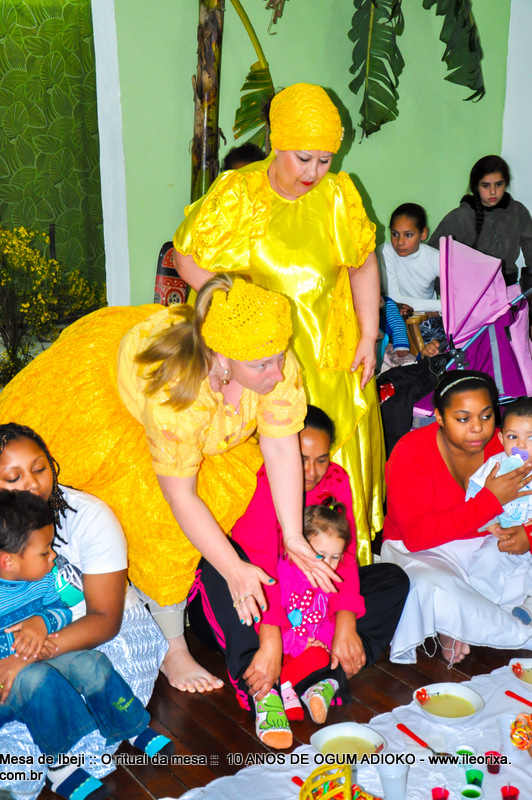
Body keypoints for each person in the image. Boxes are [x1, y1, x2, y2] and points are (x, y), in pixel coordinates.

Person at [0, 275, 330, 694]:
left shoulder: (270, 356)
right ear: (222, 356)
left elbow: (281, 449)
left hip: (201, 417)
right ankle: (172, 646)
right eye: (262, 365)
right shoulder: (179, 394)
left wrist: (295, 536)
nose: (277, 372)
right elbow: (180, 495)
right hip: (126, 404)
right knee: (160, 523)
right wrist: (233, 570)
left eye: (280, 357)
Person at [174, 82, 385, 565]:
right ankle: (263, 567)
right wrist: (242, 305)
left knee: (325, 455)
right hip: (257, 361)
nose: (314, 172)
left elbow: (363, 264)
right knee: (266, 461)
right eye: (303, 158)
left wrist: (369, 334)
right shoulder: (240, 192)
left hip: (327, 354)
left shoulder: (339, 195)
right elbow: (187, 260)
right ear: (275, 141)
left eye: (325, 160)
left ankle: (335, 570)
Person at [187, 405, 409, 746]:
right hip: (253, 614)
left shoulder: (336, 480)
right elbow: (261, 566)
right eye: (302, 459)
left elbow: (345, 557)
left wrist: (346, 623)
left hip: (308, 613)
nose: (312, 471)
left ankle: (337, 661)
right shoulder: (262, 482)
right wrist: (270, 643)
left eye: (321, 459)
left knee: (392, 579)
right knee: (220, 566)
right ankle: (262, 687)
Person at [0, 423, 168, 797]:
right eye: (13, 478)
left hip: (90, 634)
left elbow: (92, 616)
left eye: (40, 468)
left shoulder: (88, 517)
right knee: (32, 710)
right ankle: (56, 769)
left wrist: (36, 637)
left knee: (89, 670)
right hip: (16, 662)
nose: (32, 484)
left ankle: (128, 727)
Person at [381, 371, 532, 667]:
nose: (477, 429)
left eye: (487, 416)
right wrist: (490, 501)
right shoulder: (411, 451)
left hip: (491, 544)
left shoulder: (509, 444)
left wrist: (527, 535)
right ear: (439, 417)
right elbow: (416, 537)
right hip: (425, 554)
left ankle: (465, 623)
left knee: (502, 563)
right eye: (463, 419)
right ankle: (516, 632)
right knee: (427, 587)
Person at [279, 498, 351, 725]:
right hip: (283, 646)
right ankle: (280, 686)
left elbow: (327, 620)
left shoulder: (328, 582)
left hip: (306, 651)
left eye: (335, 557)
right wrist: (298, 643)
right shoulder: (285, 573)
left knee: (323, 658)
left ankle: (285, 686)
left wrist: (323, 642)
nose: (327, 564)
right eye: (320, 556)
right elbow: (275, 622)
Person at [464, 397, 532, 624]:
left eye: (530, 438)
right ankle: (477, 602)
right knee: (487, 558)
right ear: (502, 438)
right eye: (513, 437)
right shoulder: (497, 464)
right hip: (504, 531)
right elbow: (475, 492)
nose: (521, 445)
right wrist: (491, 523)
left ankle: (530, 606)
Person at [429, 155, 532, 291]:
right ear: (476, 186)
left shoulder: (518, 212)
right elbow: (431, 256)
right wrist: (442, 292)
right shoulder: (460, 216)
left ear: (506, 184)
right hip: (470, 292)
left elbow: (530, 245)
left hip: (509, 291)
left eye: (498, 184)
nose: (493, 191)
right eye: (485, 185)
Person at [378, 202, 441, 316]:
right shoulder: (385, 252)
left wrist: (439, 310)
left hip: (428, 317)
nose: (400, 242)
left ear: (423, 233)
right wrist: (443, 306)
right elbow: (394, 299)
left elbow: (459, 293)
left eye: (408, 235)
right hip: (395, 315)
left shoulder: (435, 257)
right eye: (395, 234)